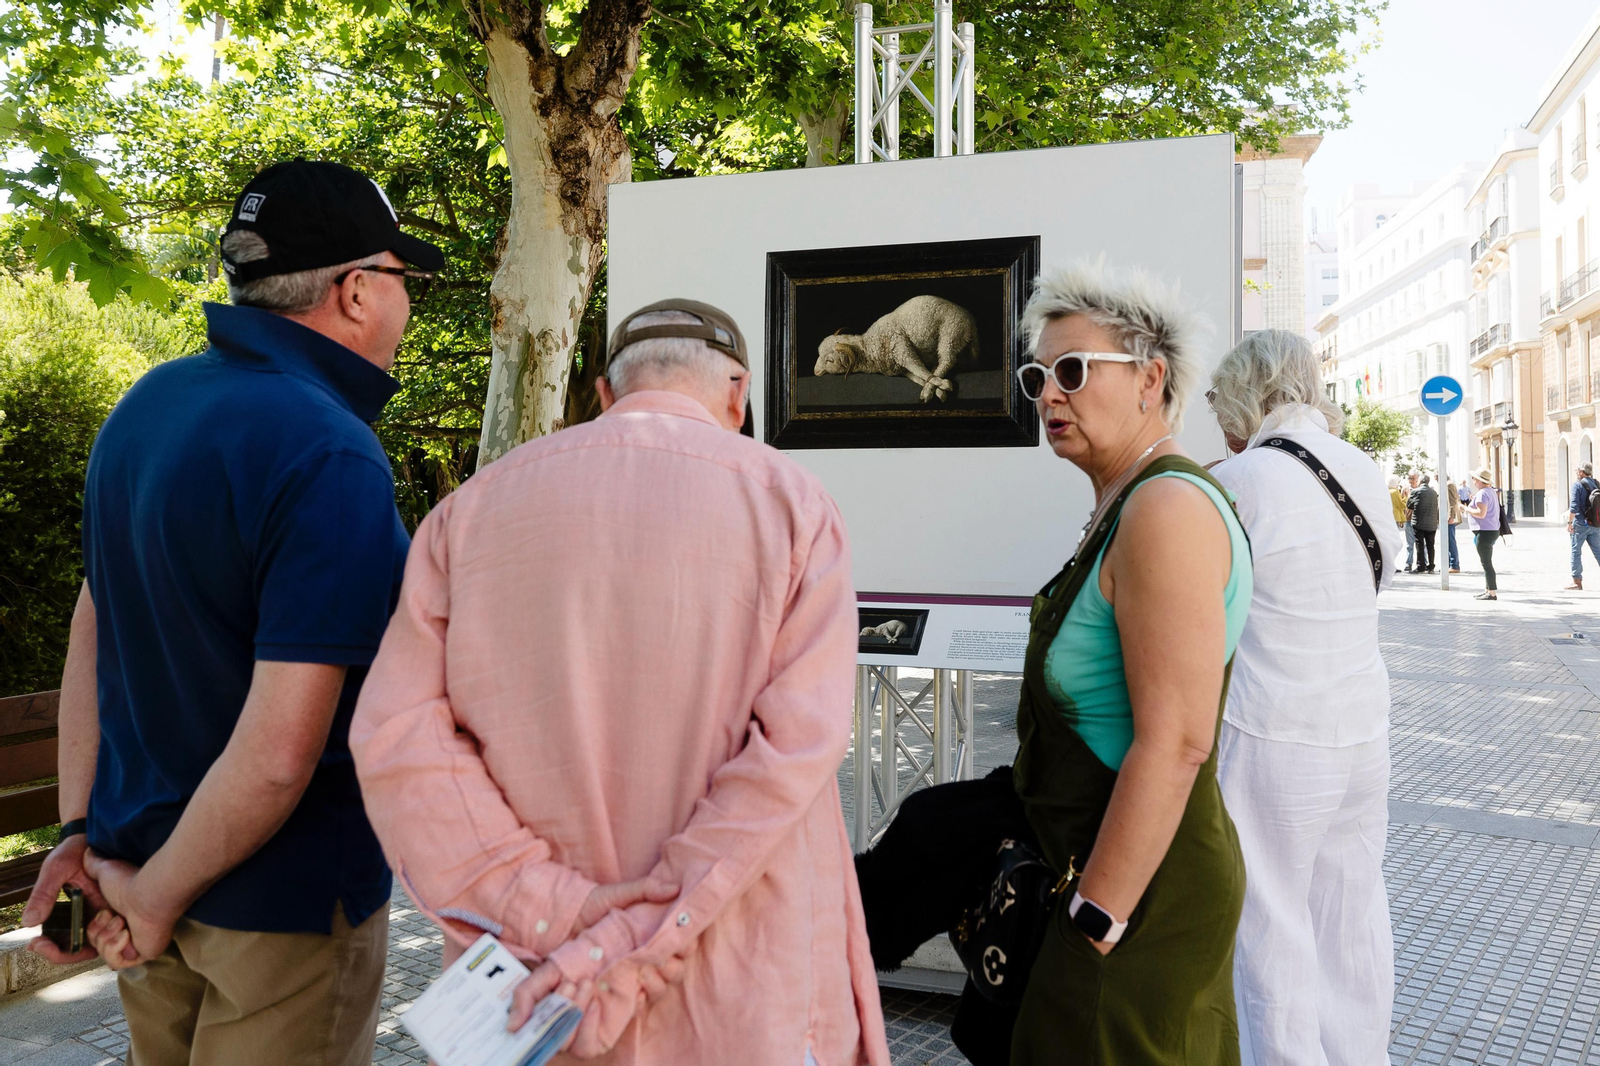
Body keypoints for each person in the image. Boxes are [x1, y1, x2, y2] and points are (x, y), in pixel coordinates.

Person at [349, 299, 890, 1066]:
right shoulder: (794, 505)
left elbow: (396, 740)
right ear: (738, 393)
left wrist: (547, 909)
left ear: (604, 394)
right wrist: (640, 930)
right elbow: (795, 749)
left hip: (539, 992)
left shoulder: (465, 515)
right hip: (739, 984)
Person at [21, 160, 443, 1064]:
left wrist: (80, 836)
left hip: (132, 877)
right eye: (403, 279)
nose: (409, 304)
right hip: (274, 914)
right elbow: (282, 752)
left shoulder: (145, 406)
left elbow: (91, 633)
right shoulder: (331, 450)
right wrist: (157, 895)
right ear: (356, 290)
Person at [1002, 265, 1251, 1064]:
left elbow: (1176, 742)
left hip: (1140, 893)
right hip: (1113, 873)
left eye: (1072, 370)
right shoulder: (1125, 502)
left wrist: (1095, 920)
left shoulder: (1166, 509)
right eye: (1037, 374)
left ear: (1150, 379)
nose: (1047, 394)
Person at [1206, 330, 1403, 1066]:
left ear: (1246, 396)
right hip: (1361, 728)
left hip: (1274, 732)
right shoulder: (1363, 468)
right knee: (1351, 914)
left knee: (1270, 924)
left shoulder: (1242, 479)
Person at [1466, 467, 1501, 601]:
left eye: (1474, 478)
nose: (1473, 481)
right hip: (1491, 530)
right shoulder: (1490, 491)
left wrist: (1465, 508)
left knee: (1486, 563)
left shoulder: (1482, 493)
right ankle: (1487, 589)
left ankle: (1492, 592)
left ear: (1479, 480)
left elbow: (1481, 513)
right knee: (1486, 562)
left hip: (1485, 532)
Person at [1567, 462, 1600, 590]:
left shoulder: (1577, 485)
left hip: (1580, 524)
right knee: (1598, 551)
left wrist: (1570, 523)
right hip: (1595, 524)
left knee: (1576, 552)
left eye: (1577, 471)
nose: (1576, 473)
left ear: (1581, 472)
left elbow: (1574, 507)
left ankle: (1577, 582)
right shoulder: (1597, 484)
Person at [1411, 474, 1440, 574]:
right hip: (1432, 523)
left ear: (1420, 481)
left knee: (1419, 544)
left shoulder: (1415, 491)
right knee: (1430, 545)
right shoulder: (1434, 493)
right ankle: (1431, 566)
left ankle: (1421, 566)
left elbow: (1409, 505)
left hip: (1418, 522)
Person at [1388, 476, 1408, 572]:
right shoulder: (1394, 492)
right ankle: (1392, 566)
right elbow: (1401, 505)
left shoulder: (1387, 491)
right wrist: (1405, 497)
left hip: (1390, 518)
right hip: (1395, 518)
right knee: (1394, 542)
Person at [1402, 471, 1420, 571]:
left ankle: (1422, 563)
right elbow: (1402, 503)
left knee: (1420, 543)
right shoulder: (1405, 489)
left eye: (1412, 478)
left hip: (1419, 519)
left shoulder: (1420, 489)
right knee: (1409, 544)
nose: (1411, 480)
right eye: (1409, 478)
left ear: (1417, 479)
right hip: (1408, 519)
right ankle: (1408, 563)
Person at [1445, 479, 1464, 574]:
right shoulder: (1447, 484)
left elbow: (1452, 502)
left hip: (1449, 519)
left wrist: (1451, 516)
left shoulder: (1449, 485)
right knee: (1448, 542)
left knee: (1450, 541)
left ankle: (1454, 565)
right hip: (1447, 518)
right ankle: (1449, 565)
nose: (1435, 477)